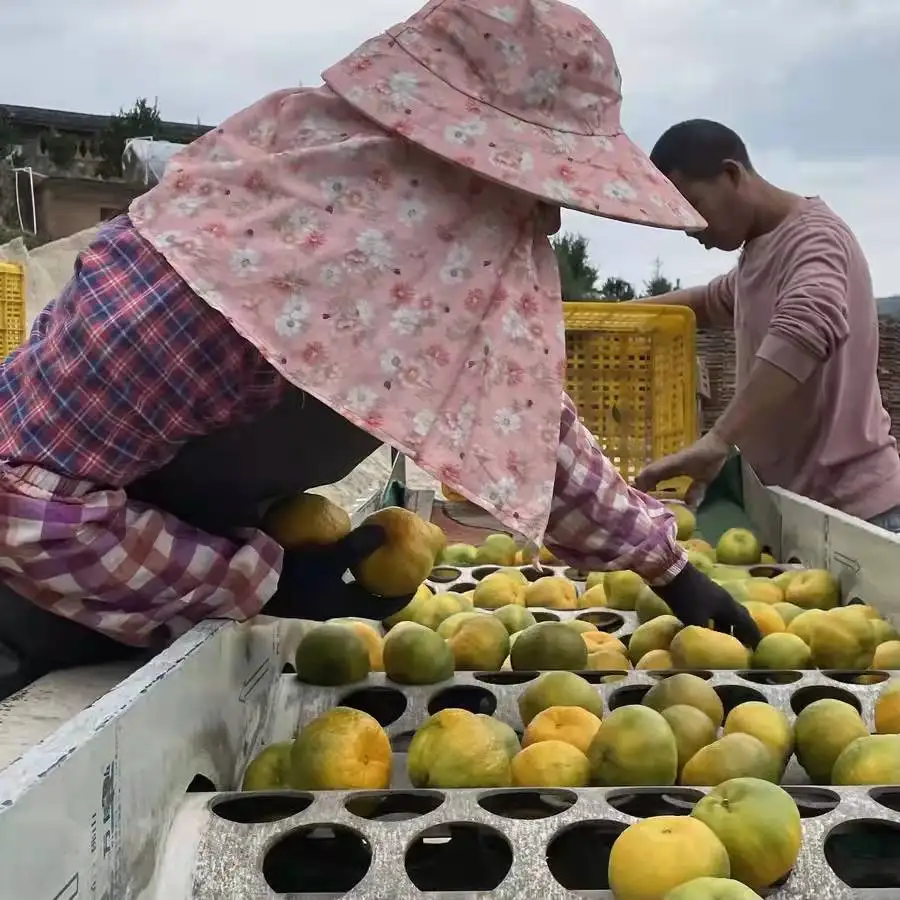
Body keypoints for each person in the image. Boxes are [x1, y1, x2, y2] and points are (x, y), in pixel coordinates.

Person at [0, 1, 759, 697]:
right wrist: (262, 580)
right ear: (434, 173)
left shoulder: (409, 282)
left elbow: (526, 426)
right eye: (529, 188)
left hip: (182, 639)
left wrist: (670, 569)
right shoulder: (191, 288)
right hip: (44, 634)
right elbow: (26, 509)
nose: (551, 224)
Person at [635, 119, 900, 531]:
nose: (690, 228)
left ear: (731, 175)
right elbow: (704, 301)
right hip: (800, 511)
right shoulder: (759, 254)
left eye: (694, 207)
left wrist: (720, 437)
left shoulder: (814, 239)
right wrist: (601, 317)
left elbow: (805, 331)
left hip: (860, 515)